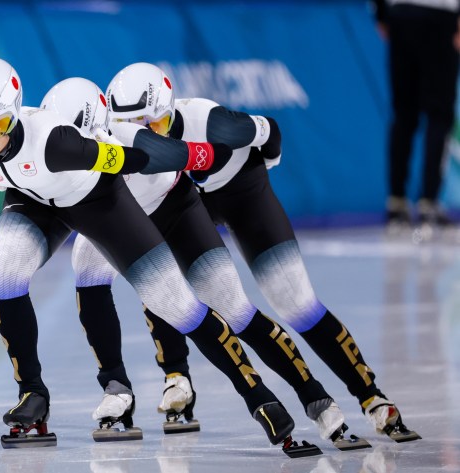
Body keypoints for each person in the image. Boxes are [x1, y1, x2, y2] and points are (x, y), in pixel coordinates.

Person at [0, 55, 319, 456]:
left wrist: (200, 156)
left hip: (96, 201)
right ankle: (32, 393)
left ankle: (258, 396)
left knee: (179, 306)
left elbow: (135, 157)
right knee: (7, 264)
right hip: (33, 201)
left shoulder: (60, 144)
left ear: (12, 117)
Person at [98, 62, 419, 443]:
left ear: (172, 110)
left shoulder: (209, 120)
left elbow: (269, 130)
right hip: (185, 201)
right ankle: (176, 376)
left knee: (296, 303)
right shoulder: (123, 141)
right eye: (136, 126)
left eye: (158, 126)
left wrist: (266, 159)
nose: (149, 137)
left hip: (241, 196)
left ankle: (371, 396)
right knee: (162, 277)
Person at [41, 77, 367, 451]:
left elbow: (209, 156)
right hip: (120, 218)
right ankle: (119, 386)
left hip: (176, 212)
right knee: (90, 268)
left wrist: (229, 152)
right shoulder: (39, 147)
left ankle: (313, 395)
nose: (73, 158)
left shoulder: (134, 142)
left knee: (234, 310)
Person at [372, 0, 460, 228]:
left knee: (404, 114)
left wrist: (382, 14)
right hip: (439, 16)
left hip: (401, 14)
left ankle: (396, 203)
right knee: (439, 115)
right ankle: (428, 202)